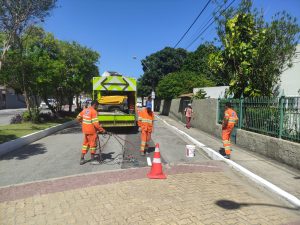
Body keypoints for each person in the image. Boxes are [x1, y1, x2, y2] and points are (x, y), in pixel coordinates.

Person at [76, 100, 106, 165]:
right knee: (93, 145)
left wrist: (82, 123)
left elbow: (78, 117)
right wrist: (102, 130)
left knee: (85, 144)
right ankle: (92, 160)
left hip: (85, 130)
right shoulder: (94, 111)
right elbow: (96, 124)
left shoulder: (85, 110)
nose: (97, 107)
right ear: (95, 105)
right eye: (97, 106)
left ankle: (82, 159)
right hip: (92, 131)